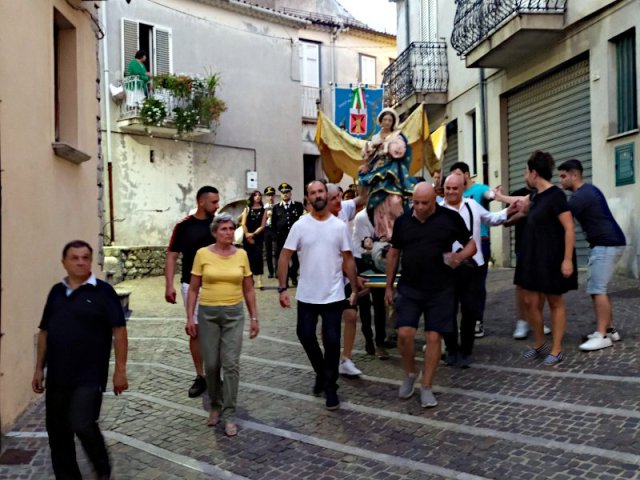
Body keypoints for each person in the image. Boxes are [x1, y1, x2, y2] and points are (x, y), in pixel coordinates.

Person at [32, 240, 128, 480]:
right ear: (64, 262)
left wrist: (120, 371)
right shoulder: (56, 292)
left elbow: (119, 331)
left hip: (89, 374)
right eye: (74, 258)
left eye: (85, 257)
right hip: (57, 374)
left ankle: (102, 467)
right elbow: (45, 331)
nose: (80, 262)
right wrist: (38, 368)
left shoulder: (104, 292)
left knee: (82, 423)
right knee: (57, 431)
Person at [385, 182, 476, 408]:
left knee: (434, 337)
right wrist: (389, 286)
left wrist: (460, 256)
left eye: (424, 203)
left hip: (441, 288)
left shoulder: (449, 218)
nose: (419, 207)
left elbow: (471, 244)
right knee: (404, 334)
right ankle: (409, 373)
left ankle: (427, 386)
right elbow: (394, 253)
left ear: (435, 199)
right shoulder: (404, 221)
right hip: (409, 287)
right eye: (415, 202)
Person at [278, 180, 358, 410]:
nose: (317, 195)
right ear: (308, 198)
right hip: (307, 295)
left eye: (320, 191)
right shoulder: (300, 225)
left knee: (332, 342)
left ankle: (330, 388)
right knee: (305, 335)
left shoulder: (338, 226)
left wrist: (353, 288)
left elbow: (348, 259)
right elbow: (285, 256)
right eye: (312, 193)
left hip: (333, 295)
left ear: (326, 194)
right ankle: (322, 373)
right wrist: (282, 288)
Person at [187, 213, 260, 437]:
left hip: (234, 314)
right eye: (224, 229)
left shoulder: (242, 255)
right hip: (208, 314)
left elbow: (248, 288)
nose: (228, 232)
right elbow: (193, 288)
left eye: (231, 228)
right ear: (215, 232)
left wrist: (254, 317)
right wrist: (190, 317)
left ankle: (229, 413)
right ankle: (215, 405)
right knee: (211, 365)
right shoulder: (202, 254)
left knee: (231, 364)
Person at [514, 151, 577, 367]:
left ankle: (556, 349)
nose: (525, 176)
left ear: (533, 173)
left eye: (526, 171)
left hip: (553, 257)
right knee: (531, 302)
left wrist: (567, 260)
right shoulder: (536, 197)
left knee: (555, 302)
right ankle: (540, 344)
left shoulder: (556, 196)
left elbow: (569, 227)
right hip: (534, 258)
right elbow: (519, 205)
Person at [558, 159, 626, 351]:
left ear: (575, 175)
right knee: (598, 288)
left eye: (563, 176)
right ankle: (610, 329)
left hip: (606, 244)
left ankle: (602, 335)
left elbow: (561, 216)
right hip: (607, 243)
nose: (560, 181)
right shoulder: (587, 191)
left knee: (598, 289)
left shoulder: (582, 195)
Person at [441, 174, 508, 367]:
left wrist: (510, 211)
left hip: (472, 265)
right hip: (446, 268)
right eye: (448, 188)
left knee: (470, 310)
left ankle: (466, 351)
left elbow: (492, 218)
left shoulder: (472, 205)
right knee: (448, 310)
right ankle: (451, 350)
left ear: (462, 189)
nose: (451, 192)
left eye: (455, 188)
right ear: (444, 189)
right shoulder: (437, 210)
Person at [165, 186, 220, 398]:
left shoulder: (219, 225)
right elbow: (171, 256)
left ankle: (215, 373)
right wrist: (169, 285)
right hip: (191, 285)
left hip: (217, 285)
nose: (217, 206)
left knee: (216, 330)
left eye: (218, 202)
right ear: (201, 202)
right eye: (213, 202)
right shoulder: (184, 227)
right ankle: (201, 376)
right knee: (195, 331)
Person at [449, 162, 495, 338]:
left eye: (459, 173)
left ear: (467, 175)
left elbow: (488, 195)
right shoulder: (451, 197)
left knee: (477, 284)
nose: (456, 177)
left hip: (480, 241)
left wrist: (493, 195)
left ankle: (477, 321)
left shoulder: (478, 190)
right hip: (457, 247)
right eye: (453, 174)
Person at [326, 183, 368, 376]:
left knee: (351, 315)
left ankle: (346, 359)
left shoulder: (344, 208)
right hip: (329, 278)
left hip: (346, 276)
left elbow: (363, 198)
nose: (338, 201)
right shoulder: (321, 222)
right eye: (333, 198)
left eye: (339, 197)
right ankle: (329, 358)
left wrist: (366, 176)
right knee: (330, 321)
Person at [359, 108, 417, 241]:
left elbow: (403, 151)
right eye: (385, 119)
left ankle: (398, 230)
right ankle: (383, 233)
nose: (387, 122)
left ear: (393, 122)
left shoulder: (397, 135)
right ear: (381, 121)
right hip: (377, 171)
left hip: (392, 171)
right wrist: (367, 161)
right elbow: (368, 156)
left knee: (395, 200)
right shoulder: (374, 138)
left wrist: (391, 147)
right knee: (378, 203)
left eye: (390, 120)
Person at [353, 208, 389, 359]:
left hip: (380, 262)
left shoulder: (386, 214)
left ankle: (380, 341)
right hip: (363, 261)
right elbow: (365, 246)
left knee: (380, 304)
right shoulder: (361, 217)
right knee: (364, 304)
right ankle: (368, 338)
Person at [271, 182, 304, 287]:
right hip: (282, 238)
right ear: (280, 194)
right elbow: (273, 224)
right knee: (283, 260)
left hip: (295, 237)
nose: (285, 194)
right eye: (283, 192)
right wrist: (275, 238)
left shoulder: (298, 206)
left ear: (290, 193)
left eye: (287, 192)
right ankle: (284, 281)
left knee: (296, 260)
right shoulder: (276, 208)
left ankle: (293, 275)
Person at [240, 190, 267, 289]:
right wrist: (247, 234)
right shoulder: (247, 209)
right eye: (256, 195)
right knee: (248, 258)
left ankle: (260, 280)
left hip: (258, 237)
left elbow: (263, 225)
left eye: (259, 195)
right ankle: (249, 279)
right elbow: (243, 223)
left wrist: (253, 234)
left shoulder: (264, 210)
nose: (258, 197)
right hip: (247, 236)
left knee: (258, 257)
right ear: (252, 197)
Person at [263, 186, 277, 278]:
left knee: (276, 251)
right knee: (268, 251)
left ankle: (277, 271)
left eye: (272, 195)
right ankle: (270, 271)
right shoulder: (263, 208)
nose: (270, 197)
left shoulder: (277, 207)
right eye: (268, 195)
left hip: (275, 229)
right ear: (266, 197)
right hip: (267, 230)